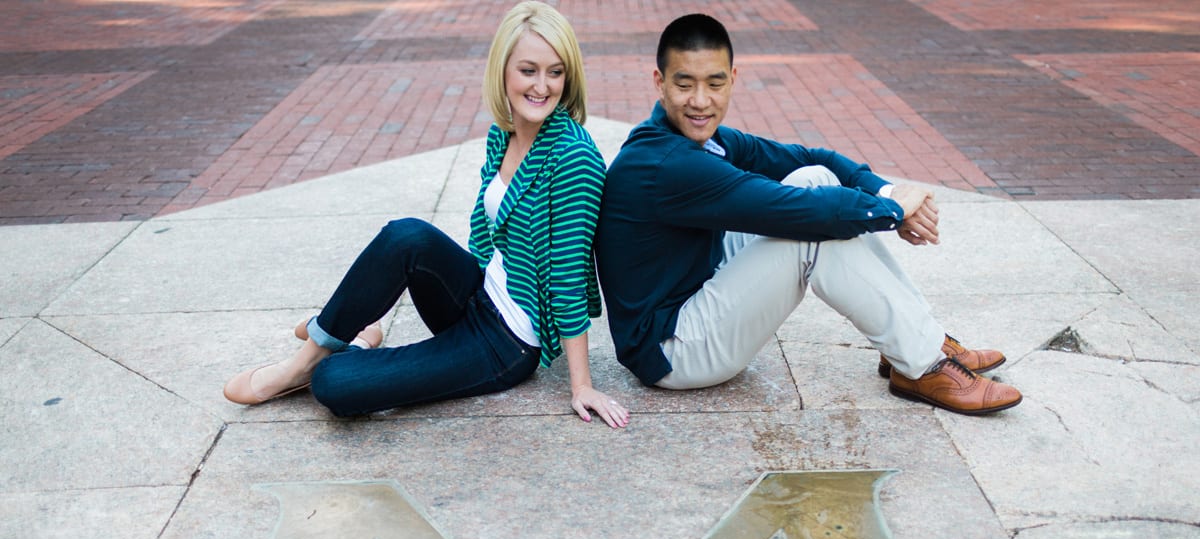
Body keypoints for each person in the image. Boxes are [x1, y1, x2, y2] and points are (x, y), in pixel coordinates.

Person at [224, 1, 629, 428]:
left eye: (555, 71)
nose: (542, 86)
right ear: (503, 72)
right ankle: (303, 363)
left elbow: (568, 275)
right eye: (528, 70)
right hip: (479, 295)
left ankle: (347, 343)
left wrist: (581, 384)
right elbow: (486, 239)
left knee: (335, 385)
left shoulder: (573, 158)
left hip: (507, 343)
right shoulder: (505, 134)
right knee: (407, 237)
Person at [594, 13, 1021, 415]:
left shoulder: (706, 139)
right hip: (672, 349)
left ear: (733, 81)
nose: (700, 101)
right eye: (685, 84)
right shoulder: (666, 163)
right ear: (660, 82)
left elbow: (808, 157)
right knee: (812, 232)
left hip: (697, 288)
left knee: (814, 177)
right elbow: (796, 212)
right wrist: (894, 210)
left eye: (714, 83)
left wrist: (887, 190)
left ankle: (914, 341)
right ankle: (921, 363)